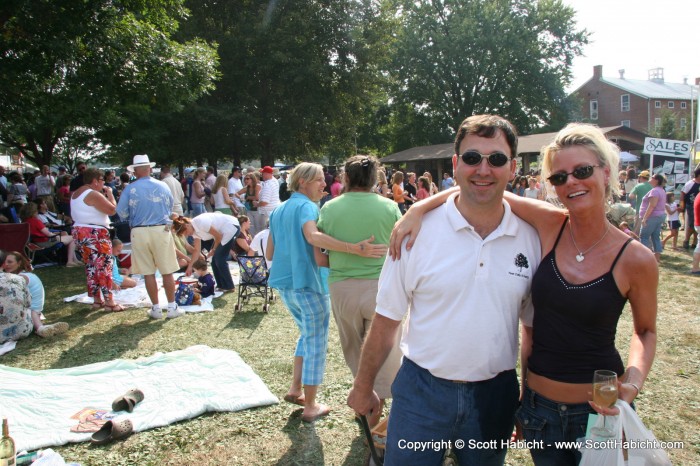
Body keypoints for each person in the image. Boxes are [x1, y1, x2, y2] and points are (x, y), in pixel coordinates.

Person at [392, 122, 658, 466]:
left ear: (606, 173)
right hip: (539, 412)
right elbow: (483, 186)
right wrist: (418, 209)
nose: (571, 182)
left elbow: (646, 330)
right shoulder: (550, 226)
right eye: (559, 178)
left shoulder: (636, 258)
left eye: (582, 171)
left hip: (597, 413)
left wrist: (632, 383)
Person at [348, 115, 541, 466]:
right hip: (422, 392)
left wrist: (527, 393)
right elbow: (387, 318)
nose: (483, 169)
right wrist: (363, 385)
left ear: (512, 168)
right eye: (471, 158)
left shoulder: (531, 238)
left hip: (494, 394)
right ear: (455, 164)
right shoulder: (413, 234)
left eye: (496, 159)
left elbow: (531, 328)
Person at [267, 162, 387, 424]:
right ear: (303, 183)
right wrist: (353, 249)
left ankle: (296, 389)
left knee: (307, 334)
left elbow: (269, 253)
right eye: (319, 180)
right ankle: (310, 406)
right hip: (308, 283)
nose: (325, 184)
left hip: (286, 284)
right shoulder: (308, 207)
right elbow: (313, 237)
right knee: (316, 341)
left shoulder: (278, 210)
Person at [317, 155, 403, 428]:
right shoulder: (390, 208)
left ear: (345, 177)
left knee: (354, 347)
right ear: (374, 179)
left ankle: (364, 400)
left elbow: (320, 256)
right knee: (386, 348)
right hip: (382, 286)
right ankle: (379, 408)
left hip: (343, 287)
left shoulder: (329, 209)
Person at [117, 155, 181, 319]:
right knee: (167, 271)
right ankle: (172, 306)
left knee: (148, 272)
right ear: (149, 169)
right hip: (161, 229)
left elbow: (121, 212)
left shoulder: (130, 188)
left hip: (139, 231)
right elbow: (169, 208)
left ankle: (156, 308)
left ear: (135, 170)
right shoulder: (163, 186)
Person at [70, 168, 121, 309]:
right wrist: (110, 194)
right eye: (101, 180)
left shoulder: (76, 193)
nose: (103, 183)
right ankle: (109, 301)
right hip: (95, 232)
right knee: (104, 266)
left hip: (80, 231)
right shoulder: (92, 193)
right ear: (94, 181)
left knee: (91, 266)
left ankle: (97, 300)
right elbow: (112, 209)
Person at [2, 251, 69, 338]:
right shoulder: (25, 275)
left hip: (30, 308)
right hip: (35, 309)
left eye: (10, 262)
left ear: (19, 263)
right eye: (4, 262)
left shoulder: (21, 277)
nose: (6, 264)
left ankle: (41, 329)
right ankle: (44, 328)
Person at [172, 212, 240, 293]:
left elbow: (218, 236)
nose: (187, 235)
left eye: (186, 232)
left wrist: (213, 250)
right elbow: (197, 250)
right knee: (212, 259)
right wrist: (190, 266)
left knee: (219, 258)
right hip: (222, 233)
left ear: (187, 225)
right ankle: (221, 285)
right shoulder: (194, 232)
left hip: (231, 227)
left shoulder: (200, 222)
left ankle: (229, 286)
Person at [20, 202, 80, 267]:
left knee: (67, 237)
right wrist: (57, 235)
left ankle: (74, 259)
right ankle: (70, 261)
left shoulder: (25, 221)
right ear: (34, 211)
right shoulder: (35, 221)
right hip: (45, 242)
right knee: (73, 238)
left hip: (35, 242)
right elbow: (48, 234)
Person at [638, 174, 667, 262]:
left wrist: (644, 218)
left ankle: (644, 258)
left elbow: (652, 205)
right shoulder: (661, 190)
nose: (650, 179)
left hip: (652, 217)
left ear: (657, 180)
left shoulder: (654, 191)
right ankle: (656, 258)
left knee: (644, 237)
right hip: (659, 216)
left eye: (653, 178)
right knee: (655, 237)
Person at [679, 166, 700, 249]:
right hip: (690, 206)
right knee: (691, 225)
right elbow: (682, 194)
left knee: (698, 224)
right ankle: (686, 240)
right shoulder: (690, 183)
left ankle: (695, 242)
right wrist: (682, 205)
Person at [256, 166, 281, 235]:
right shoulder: (275, 181)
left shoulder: (268, 185)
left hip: (267, 212)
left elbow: (264, 202)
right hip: (274, 209)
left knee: (265, 232)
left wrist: (257, 204)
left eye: (263, 173)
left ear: (266, 174)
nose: (262, 175)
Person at [627, 169, 651, 235]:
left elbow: (631, 196)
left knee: (637, 231)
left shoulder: (638, 186)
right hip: (652, 211)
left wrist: (637, 196)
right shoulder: (652, 186)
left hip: (640, 211)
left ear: (640, 177)